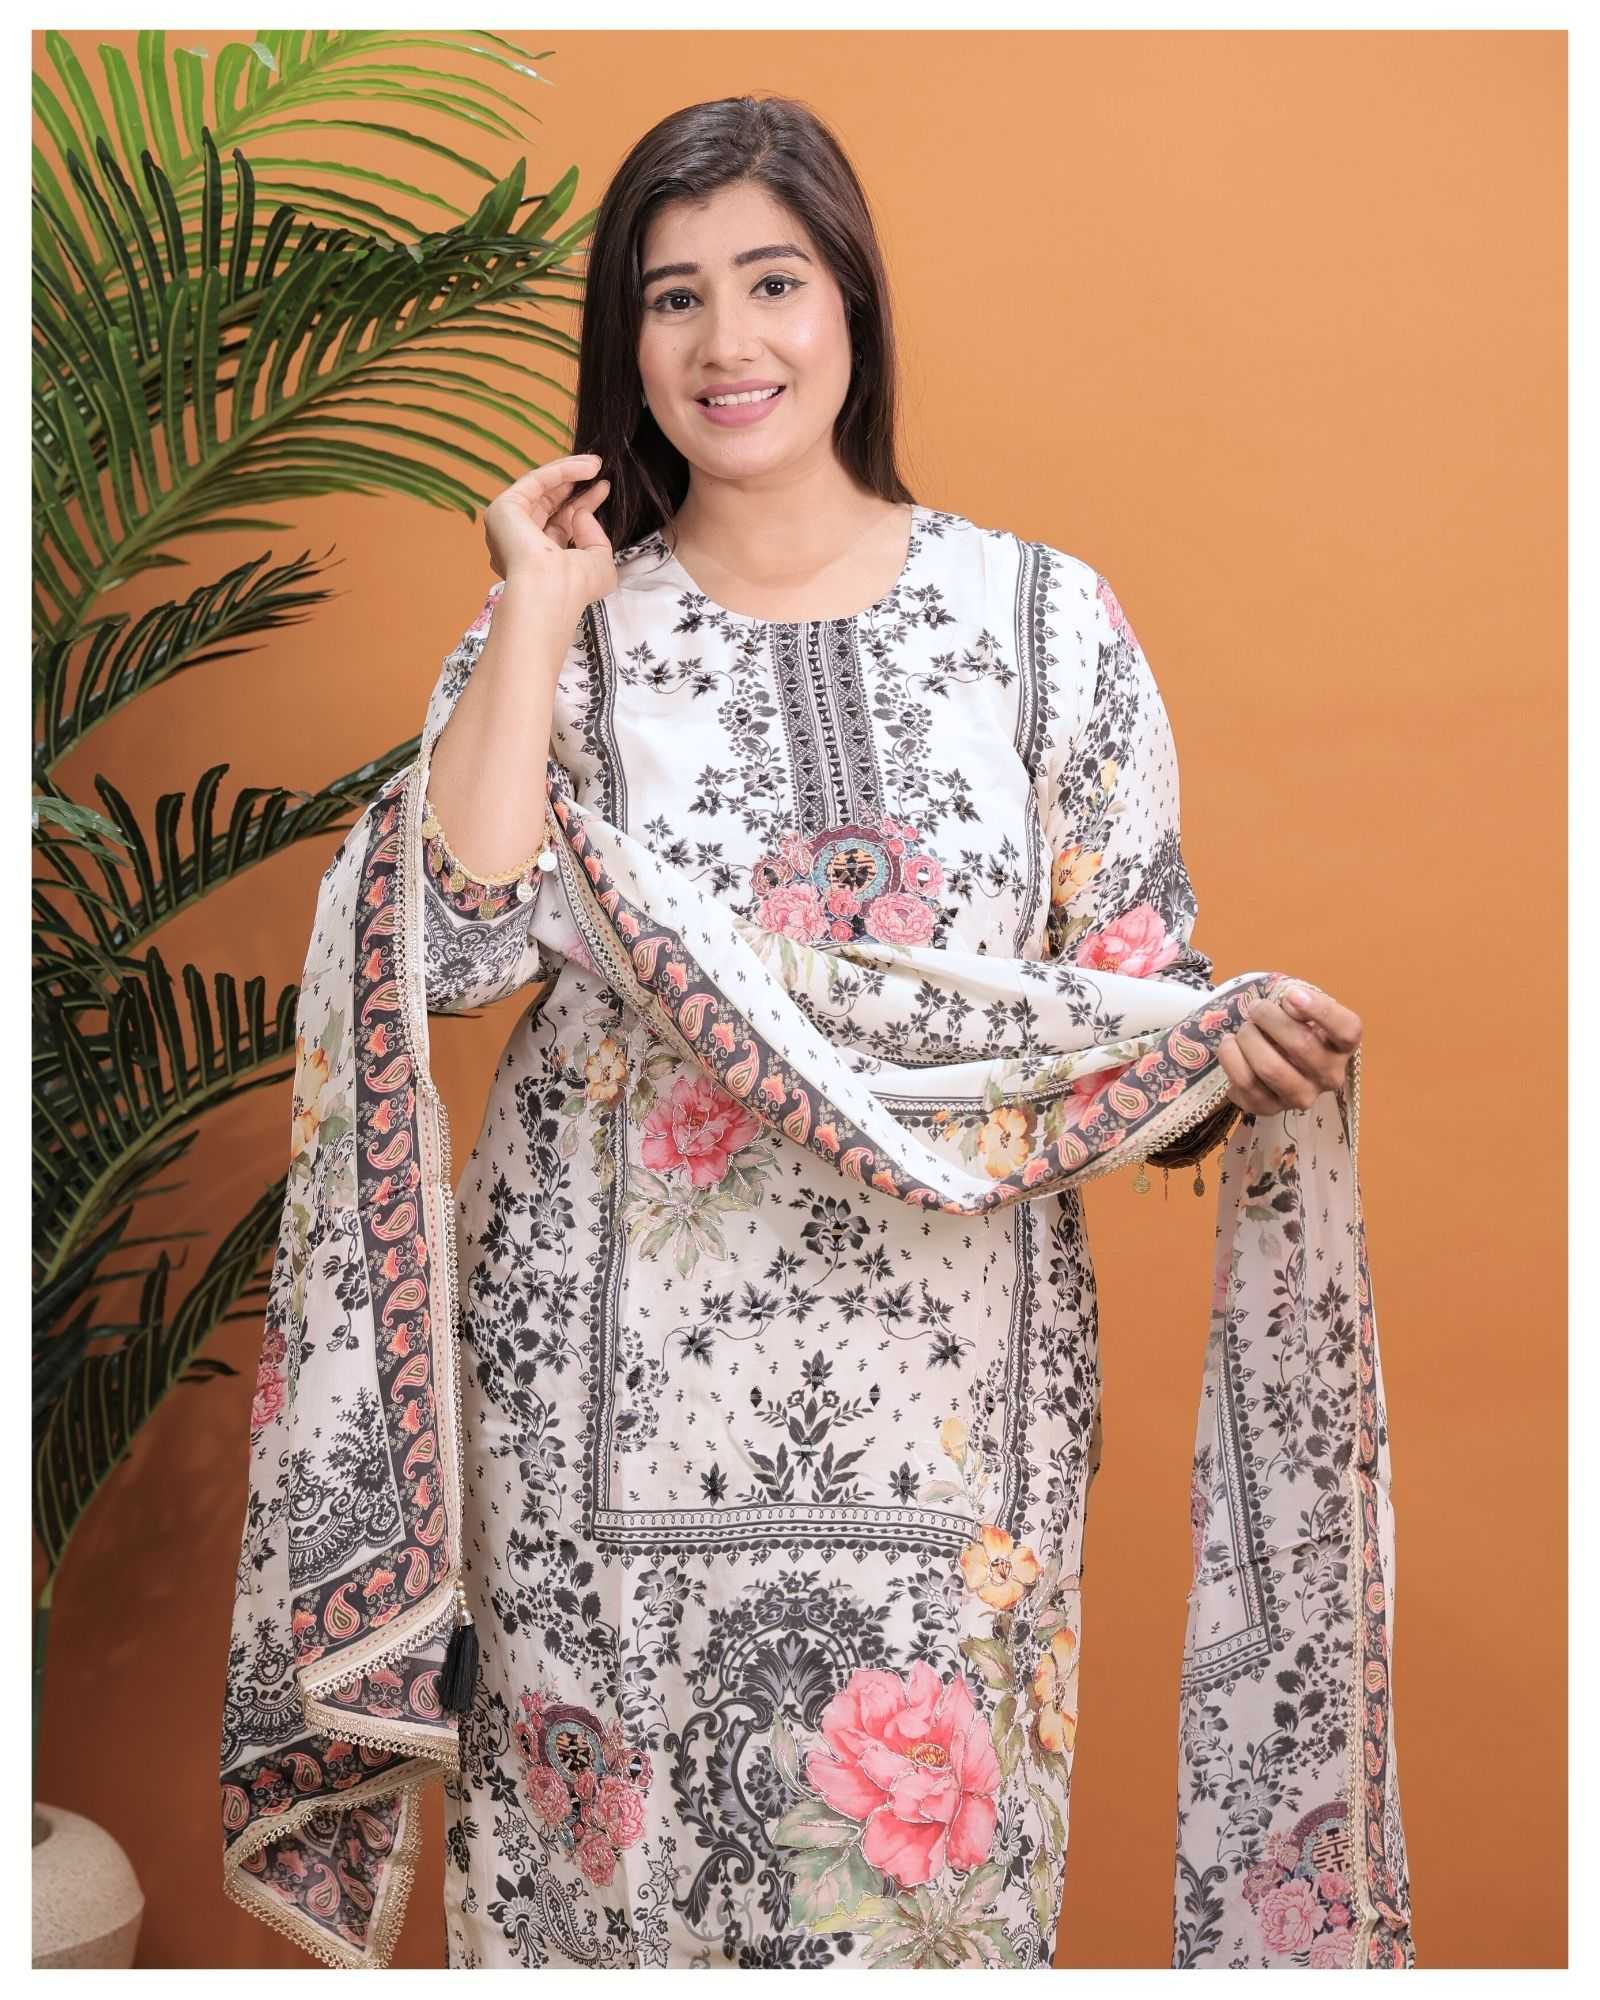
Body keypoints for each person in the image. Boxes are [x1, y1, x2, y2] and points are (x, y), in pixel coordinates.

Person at [221, 95, 1410, 1972]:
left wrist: (1221, 1060)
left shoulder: (1043, 622)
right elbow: (446, 943)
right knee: (608, 1914)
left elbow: (1116, 997)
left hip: (953, 1428)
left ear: (851, 301)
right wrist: (536, 602)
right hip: (592, 1424)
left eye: (772, 282)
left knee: (917, 1906)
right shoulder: (570, 636)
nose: (729, 342)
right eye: (673, 297)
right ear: (628, 343)